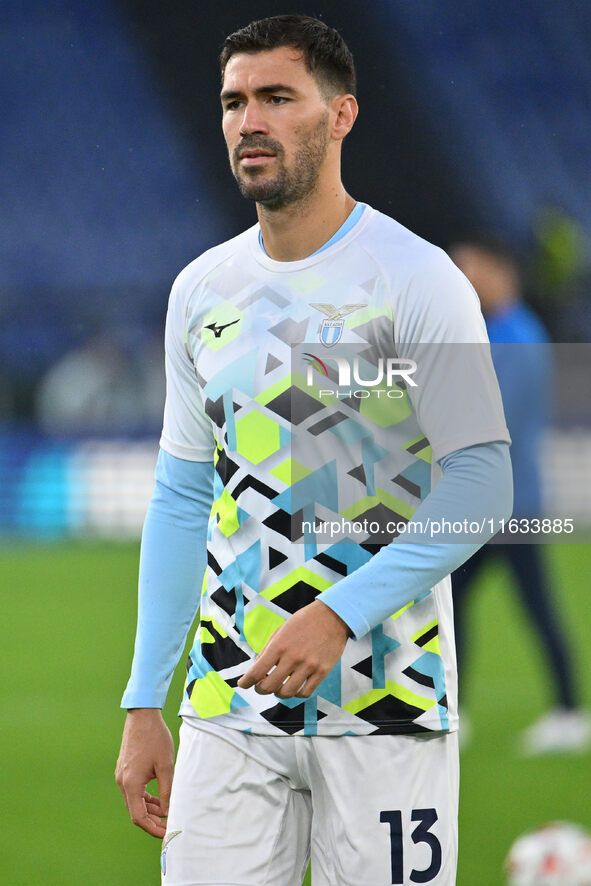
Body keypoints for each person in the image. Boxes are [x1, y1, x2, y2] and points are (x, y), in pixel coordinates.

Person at [116, 16, 512, 885]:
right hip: (226, 708)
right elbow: (183, 498)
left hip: (386, 707)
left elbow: (482, 480)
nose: (247, 121)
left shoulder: (415, 280)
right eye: (232, 102)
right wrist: (146, 695)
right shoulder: (200, 292)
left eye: (275, 97)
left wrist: (337, 613)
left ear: (340, 116)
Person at [449, 237, 591, 755]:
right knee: (463, 596)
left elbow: (490, 417)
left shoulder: (515, 337)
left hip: (509, 502)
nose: (461, 279)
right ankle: (458, 710)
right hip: (500, 499)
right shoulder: (498, 332)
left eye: (467, 268)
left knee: (526, 603)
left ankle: (568, 712)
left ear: (496, 268)